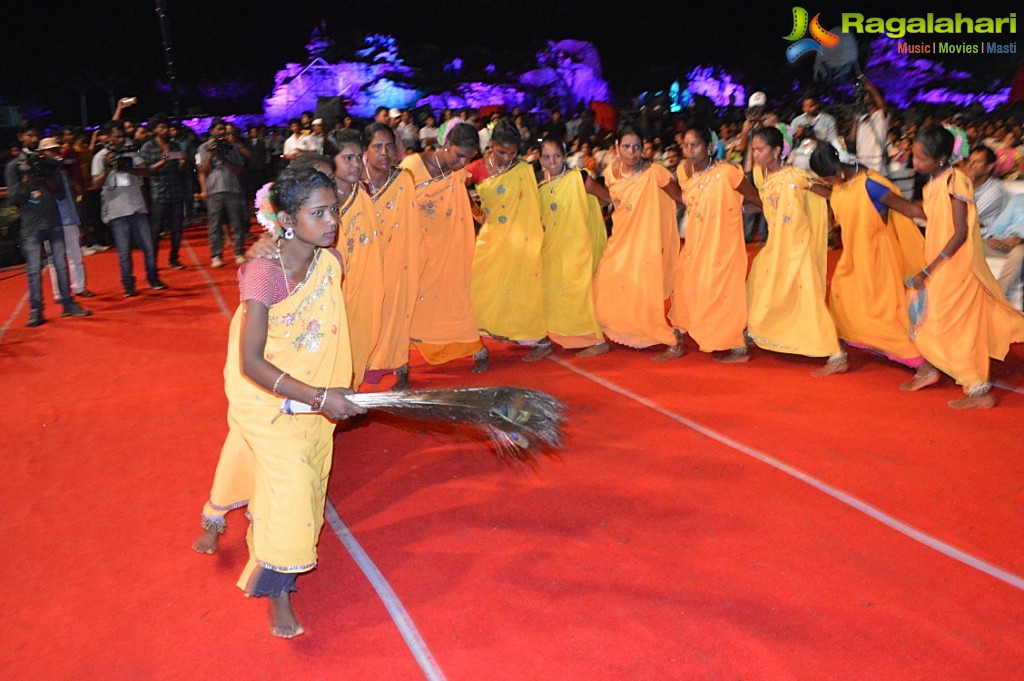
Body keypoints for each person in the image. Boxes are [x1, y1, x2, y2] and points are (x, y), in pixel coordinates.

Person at [194, 167, 365, 639]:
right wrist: (317, 396)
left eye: (333, 210)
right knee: (291, 486)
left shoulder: (327, 262)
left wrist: (325, 393)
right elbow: (250, 362)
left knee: (257, 458)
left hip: (312, 395)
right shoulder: (264, 274)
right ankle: (278, 588)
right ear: (287, 218)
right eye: (319, 213)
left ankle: (213, 511)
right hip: (265, 395)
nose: (332, 221)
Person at [900, 126, 1024, 408]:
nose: (915, 162)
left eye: (921, 157)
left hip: (956, 266)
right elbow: (928, 217)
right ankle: (931, 368)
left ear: (941, 157)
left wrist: (928, 270)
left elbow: (959, 234)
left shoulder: (956, 182)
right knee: (924, 315)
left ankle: (979, 390)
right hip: (939, 263)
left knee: (956, 325)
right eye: (914, 155)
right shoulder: (932, 184)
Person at [809, 142, 926, 370]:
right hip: (853, 255)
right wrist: (809, 187)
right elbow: (836, 195)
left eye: (827, 179)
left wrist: (953, 217)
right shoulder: (841, 183)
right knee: (842, 301)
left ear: (839, 171)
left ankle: (921, 363)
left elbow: (910, 210)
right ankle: (842, 355)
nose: (826, 183)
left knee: (882, 313)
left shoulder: (870, 184)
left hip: (877, 257)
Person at [746, 126, 847, 375]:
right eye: (754, 149)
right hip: (776, 244)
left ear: (777, 150)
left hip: (798, 245)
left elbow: (828, 193)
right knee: (760, 282)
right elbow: (768, 202)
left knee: (808, 297)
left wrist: (844, 205)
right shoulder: (760, 174)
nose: (755, 154)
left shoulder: (797, 177)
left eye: (760, 149)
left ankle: (836, 354)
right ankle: (760, 331)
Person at [399, 121, 489, 372]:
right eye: (459, 155)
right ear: (446, 144)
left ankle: (475, 348)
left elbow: (462, 200)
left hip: (450, 250)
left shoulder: (455, 173)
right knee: (412, 304)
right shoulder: (411, 167)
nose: (462, 164)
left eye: (468, 158)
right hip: (418, 251)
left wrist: (480, 214)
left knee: (455, 297)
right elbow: (398, 208)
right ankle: (401, 363)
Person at [667, 128, 761, 362]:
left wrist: (738, 211)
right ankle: (692, 331)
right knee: (685, 283)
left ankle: (737, 346)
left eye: (696, 145)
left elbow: (756, 199)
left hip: (723, 244)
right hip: (695, 242)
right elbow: (688, 201)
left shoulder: (728, 172)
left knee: (721, 292)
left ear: (709, 146)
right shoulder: (682, 171)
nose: (690, 150)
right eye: (686, 145)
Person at [591, 125, 684, 358]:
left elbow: (680, 198)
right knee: (606, 282)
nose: (632, 152)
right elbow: (612, 201)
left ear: (643, 148)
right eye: (626, 147)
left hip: (645, 244)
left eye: (637, 147)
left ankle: (669, 339)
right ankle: (624, 331)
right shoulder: (611, 172)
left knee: (643, 290)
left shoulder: (655, 173)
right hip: (620, 239)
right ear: (616, 147)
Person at [470, 120, 547, 356]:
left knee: (522, 286)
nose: (506, 158)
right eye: (501, 152)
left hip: (521, 239)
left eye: (512, 153)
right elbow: (456, 191)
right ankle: (495, 329)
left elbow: (533, 206)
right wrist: (478, 214)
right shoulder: (477, 168)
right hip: (491, 237)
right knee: (482, 284)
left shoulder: (522, 170)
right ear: (491, 145)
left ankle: (536, 339)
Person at [5, 123, 92, 326]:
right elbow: (12, 197)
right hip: (30, 224)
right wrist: (26, 180)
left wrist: (45, 178)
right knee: (34, 269)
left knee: (61, 265)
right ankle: (36, 310)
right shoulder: (13, 166)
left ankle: (68, 304)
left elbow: (60, 193)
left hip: (54, 221)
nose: (33, 138)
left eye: (36, 134)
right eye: (29, 135)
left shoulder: (48, 162)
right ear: (21, 137)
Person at [533, 137, 609, 358]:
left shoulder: (579, 178)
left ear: (564, 156)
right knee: (549, 294)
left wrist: (588, 215)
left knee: (578, 295)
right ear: (539, 159)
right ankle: (553, 338)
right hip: (551, 250)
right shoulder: (538, 188)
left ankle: (595, 340)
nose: (552, 161)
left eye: (556, 156)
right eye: (546, 157)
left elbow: (606, 198)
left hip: (577, 250)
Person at [359, 123, 421, 389]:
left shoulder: (403, 179)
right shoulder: (355, 183)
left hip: (399, 262)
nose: (384, 153)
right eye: (377, 147)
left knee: (397, 312)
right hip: (364, 263)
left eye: (388, 146)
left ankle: (401, 365)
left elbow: (411, 224)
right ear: (365, 151)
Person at [325, 129, 385, 387]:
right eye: (347, 158)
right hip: (335, 291)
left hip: (364, 286)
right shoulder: (324, 202)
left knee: (358, 342)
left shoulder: (361, 192)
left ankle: (350, 389)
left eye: (358, 158)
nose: (355, 165)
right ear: (331, 161)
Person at [91, 122, 168, 297]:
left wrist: (127, 167)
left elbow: (146, 173)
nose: (120, 140)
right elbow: (95, 185)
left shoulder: (131, 153)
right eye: (116, 136)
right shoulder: (101, 156)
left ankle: (153, 278)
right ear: (109, 137)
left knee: (148, 247)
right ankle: (128, 285)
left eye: (122, 136)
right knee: (124, 252)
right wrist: (109, 168)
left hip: (137, 207)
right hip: (116, 210)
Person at [39, 137, 95, 302]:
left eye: (56, 150)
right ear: (42, 154)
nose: (55, 153)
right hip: (51, 221)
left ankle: (79, 287)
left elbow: (69, 200)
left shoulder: (61, 172)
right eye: (51, 150)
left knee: (76, 256)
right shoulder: (39, 175)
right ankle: (59, 294)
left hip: (67, 219)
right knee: (55, 260)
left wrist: (77, 222)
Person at [965, 145, 1024, 302]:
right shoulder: (1018, 199)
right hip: (999, 240)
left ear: (989, 167)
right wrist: (993, 237)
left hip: (1019, 244)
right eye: (969, 162)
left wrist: (1020, 238)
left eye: (976, 162)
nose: (970, 166)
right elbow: (1000, 223)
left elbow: (968, 217)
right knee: (964, 245)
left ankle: (996, 299)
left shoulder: (994, 192)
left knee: (1020, 253)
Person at [139, 114, 188, 269]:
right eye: (161, 127)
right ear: (154, 130)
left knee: (177, 229)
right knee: (155, 231)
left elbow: (182, 170)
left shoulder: (175, 146)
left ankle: (174, 258)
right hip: (158, 194)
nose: (165, 130)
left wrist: (182, 163)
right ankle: (152, 261)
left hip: (176, 192)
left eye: (166, 127)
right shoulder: (147, 147)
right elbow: (145, 172)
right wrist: (162, 162)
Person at [198, 118, 248, 267]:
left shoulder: (232, 147)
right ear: (212, 130)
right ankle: (216, 255)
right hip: (213, 190)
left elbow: (239, 169)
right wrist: (211, 155)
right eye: (219, 130)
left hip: (232, 188)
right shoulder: (203, 148)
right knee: (214, 224)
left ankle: (239, 252)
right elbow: (202, 170)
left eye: (224, 130)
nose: (222, 133)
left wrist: (223, 158)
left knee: (237, 223)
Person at [852, 75, 889, 174]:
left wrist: (869, 86)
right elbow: (851, 139)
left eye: (870, 95)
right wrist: (856, 119)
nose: (866, 97)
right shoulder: (861, 118)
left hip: (876, 162)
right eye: (866, 95)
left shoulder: (881, 115)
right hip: (861, 160)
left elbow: (882, 106)